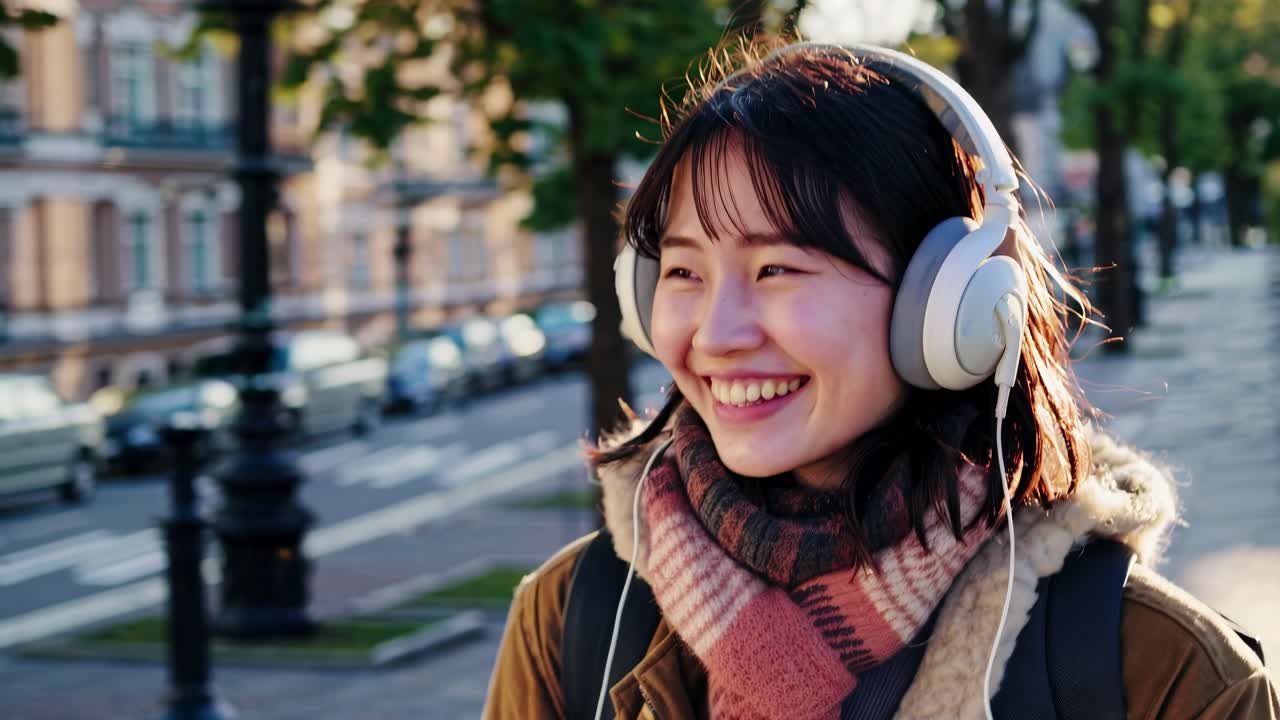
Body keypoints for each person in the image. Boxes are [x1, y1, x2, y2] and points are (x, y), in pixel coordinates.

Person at [483, 40, 1278, 720]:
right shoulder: (575, 620)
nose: (717, 336)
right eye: (684, 270)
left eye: (777, 268)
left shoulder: (1159, 670)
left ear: (950, 306)